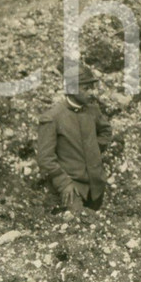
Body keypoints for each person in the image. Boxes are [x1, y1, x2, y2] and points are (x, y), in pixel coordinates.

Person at [36, 64, 111, 212]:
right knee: (78, 224)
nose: (92, 93)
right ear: (71, 89)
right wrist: (64, 183)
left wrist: (93, 151)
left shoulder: (93, 110)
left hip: (95, 186)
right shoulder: (52, 117)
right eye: (86, 88)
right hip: (71, 187)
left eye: (92, 87)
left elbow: (106, 132)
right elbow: (45, 159)